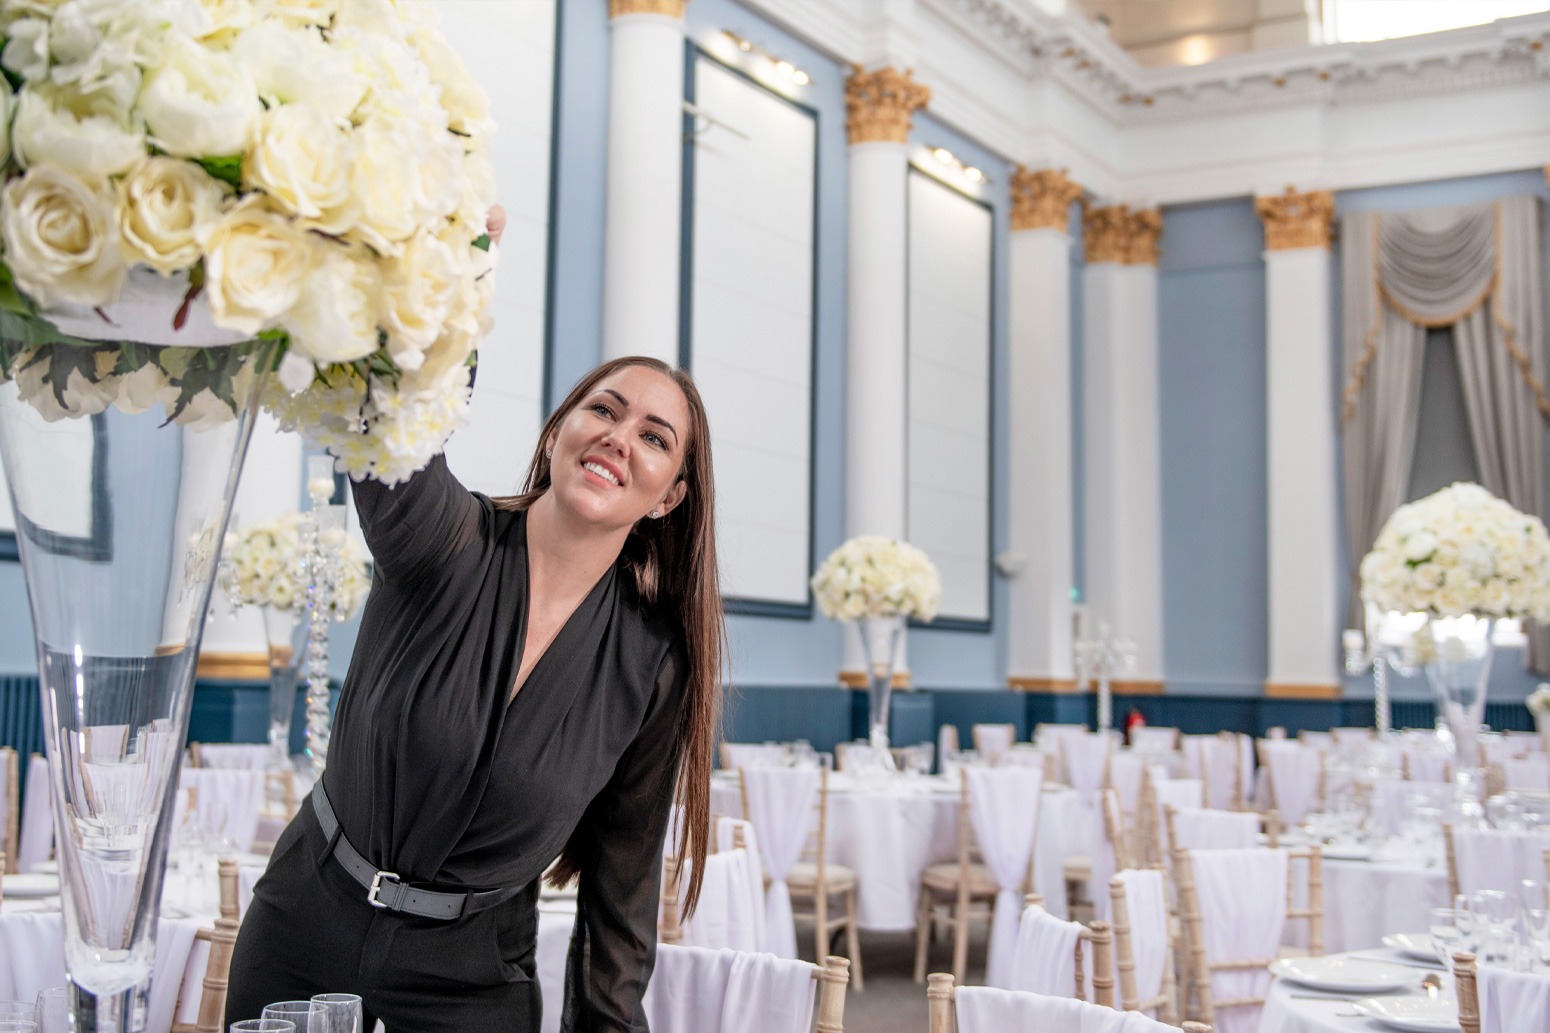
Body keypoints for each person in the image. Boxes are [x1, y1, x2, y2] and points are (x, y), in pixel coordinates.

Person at [227, 208, 724, 1032]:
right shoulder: (444, 539)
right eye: (602, 409)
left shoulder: (651, 661)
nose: (616, 438)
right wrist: (451, 267)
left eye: (653, 436)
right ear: (562, 426)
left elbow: (620, 896)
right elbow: (394, 425)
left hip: (472, 983)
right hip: (303, 928)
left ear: (669, 495)